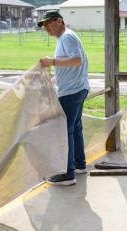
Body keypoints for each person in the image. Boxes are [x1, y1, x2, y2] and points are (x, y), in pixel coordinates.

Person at [38, 10, 90, 186]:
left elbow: (76, 60)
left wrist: (52, 62)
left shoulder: (67, 37)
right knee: (75, 128)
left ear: (59, 21)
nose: (46, 28)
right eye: (44, 26)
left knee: (65, 131)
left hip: (71, 92)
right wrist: (54, 78)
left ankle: (68, 175)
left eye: (48, 24)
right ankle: (79, 165)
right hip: (77, 89)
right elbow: (70, 64)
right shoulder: (65, 38)